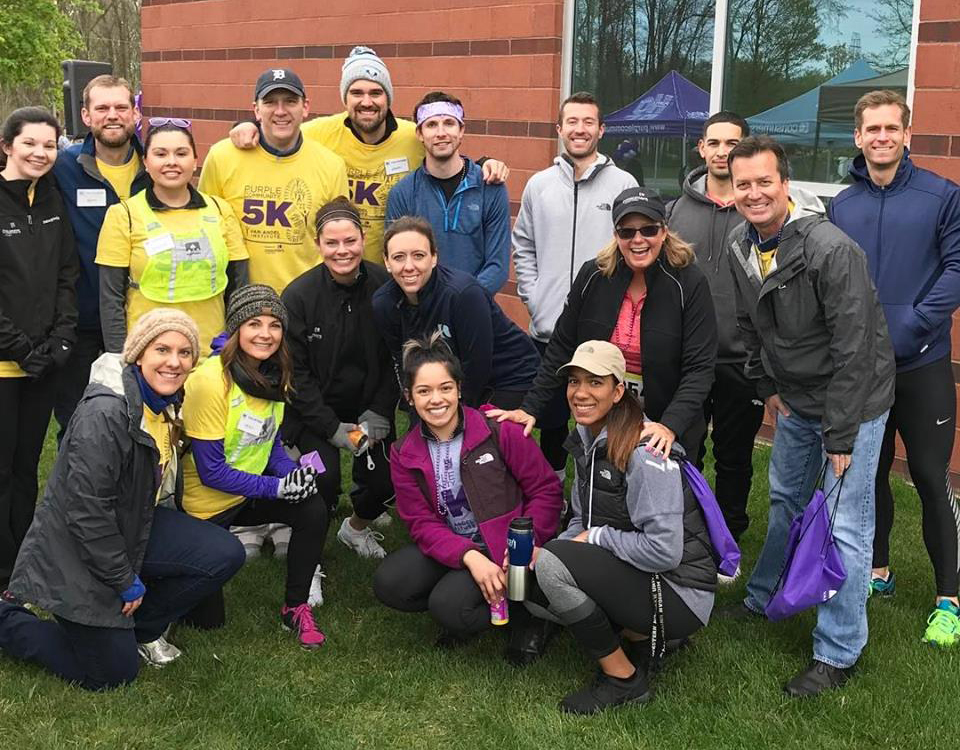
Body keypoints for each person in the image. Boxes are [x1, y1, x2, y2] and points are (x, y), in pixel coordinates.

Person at [725, 135, 895, 697]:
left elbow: (856, 347)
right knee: (785, 503)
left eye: (763, 182)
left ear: (785, 183)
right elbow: (751, 325)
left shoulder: (830, 249)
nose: (753, 193)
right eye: (742, 183)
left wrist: (842, 434)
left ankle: (838, 650)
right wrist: (767, 384)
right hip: (795, 397)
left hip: (854, 402)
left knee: (845, 525)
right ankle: (765, 594)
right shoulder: (738, 245)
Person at [0, 310, 245, 690]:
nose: (174, 361)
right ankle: (8, 620)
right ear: (138, 354)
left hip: (129, 525)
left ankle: (142, 628)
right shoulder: (106, 413)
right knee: (113, 675)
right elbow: (86, 512)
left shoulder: (162, 400)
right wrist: (124, 580)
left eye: (184, 352)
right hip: (75, 550)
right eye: (162, 349)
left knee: (223, 554)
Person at [829, 90, 960, 646]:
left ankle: (948, 599)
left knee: (931, 479)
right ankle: (877, 570)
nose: (882, 137)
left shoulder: (942, 196)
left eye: (892, 128)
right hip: (864, 370)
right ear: (857, 137)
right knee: (869, 475)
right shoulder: (841, 206)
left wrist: (910, 328)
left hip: (922, 364)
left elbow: (957, 267)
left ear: (906, 135)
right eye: (871, 129)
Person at [531, 340, 715, 714]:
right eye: (574, 382)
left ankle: (624, 679)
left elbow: (665, 550)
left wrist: (585, 545)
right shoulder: (588, 437)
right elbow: (583, 520)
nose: (580, 393)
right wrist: (552, 556)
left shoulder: (644, 450)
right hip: (643, 576)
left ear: (618, 392)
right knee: (532, 578)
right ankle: (640, 636)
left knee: (552, 567)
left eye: (595, 383)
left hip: (681, 592)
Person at [373, 333, 563, 664]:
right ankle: (479, 596)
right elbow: (420, 523)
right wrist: (469, 558)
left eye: (445, 388)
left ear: (459, 389)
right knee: (391, 583)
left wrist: (522, 548)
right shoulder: (403, 453)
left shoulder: (498, 430)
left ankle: (531, 614)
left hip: (508, 549)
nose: (436, 399)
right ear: (409, 398)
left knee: (448, 606)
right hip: (460, 546)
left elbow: (546, 490)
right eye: (424, 391)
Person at [495, 187, 716, 465]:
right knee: (601, 496)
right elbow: (563, 345)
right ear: (616, 235)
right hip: (605, 414)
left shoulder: (690, 282)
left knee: (662, 501)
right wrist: (531, 408)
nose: (638, 240)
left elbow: (700, 367)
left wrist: (669, 425)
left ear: (663, 231)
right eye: (627, 232)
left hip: (665, 418)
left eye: (648, 230)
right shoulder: (593, 275)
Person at [228, 46, 508, 262]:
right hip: (337, 268)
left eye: (376, 93)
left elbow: (447, 148)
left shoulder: (411, 136)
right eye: (356, 93)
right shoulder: (321, 133)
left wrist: (486, 163)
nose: (366, 102)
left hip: (395, 272)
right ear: (344, 98)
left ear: (388, 98)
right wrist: (247, 126)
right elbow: (281, 128)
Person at [179, 285, 327, 648]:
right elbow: (212, 471)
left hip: (243, 496)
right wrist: (276, 488)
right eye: (254, 323)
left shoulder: (276, 373)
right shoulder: (210, 381)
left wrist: (289, 474)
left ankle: (295, 607)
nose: (265, 333)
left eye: (275, 325)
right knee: (206, 623)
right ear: (236, 328)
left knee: (313, 507)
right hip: (203, 508)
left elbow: (269, 442)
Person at [512, 91, 637, 477]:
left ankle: (605, 486)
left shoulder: (623, 183)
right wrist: (534, 298)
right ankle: (556, 484)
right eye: (572, 122)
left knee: (603, 420)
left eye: (588, 122)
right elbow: (524, 246)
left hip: (603, 333)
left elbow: (634, 251)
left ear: (601, 130)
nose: (579, 130)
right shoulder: (539, 185)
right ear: (560, 128)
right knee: (550, 419)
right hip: (549, 328)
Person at [283, 198, 398, 562]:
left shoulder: (385, 286)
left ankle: (355, 528)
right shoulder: (299, 296)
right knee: (321, 479)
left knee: (386, 481)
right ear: (318, 245)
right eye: (331, 243)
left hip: (369, 408)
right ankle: (309, 560)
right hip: (316, 414)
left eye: (350, 241)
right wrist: (332, 429)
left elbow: (396, 356)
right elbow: (296, 374)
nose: (342, 250)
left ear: (364, 239)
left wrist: (379, 411)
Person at [667, 111, 761, 560]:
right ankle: (686, 531)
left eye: (732, 143)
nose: (723, 152)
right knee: (683, 448)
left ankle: (728, 540)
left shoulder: (758, 207)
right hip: (688, 357)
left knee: (734, 457)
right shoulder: (675, 211)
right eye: (715, 143)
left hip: (741, 360)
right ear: (701, 149)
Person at [0, 107, 79, 592]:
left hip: (46, 361)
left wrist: (62, 341)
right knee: (2, 471)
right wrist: (20, 348)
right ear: (7, 145)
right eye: (30, 143)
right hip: (6, 364)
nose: (40, 153)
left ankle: (24, 563)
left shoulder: (52, 197)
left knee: (28, 469)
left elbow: (68, 274)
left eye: (49, 145)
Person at [96, 120, 249, 361]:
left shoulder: (221, 211)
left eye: (181, 153)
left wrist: (234, 346)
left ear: (195, 161)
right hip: (147, 357)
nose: (171, 162)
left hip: (211, 353)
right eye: (160, 154)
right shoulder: (122, 215)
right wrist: (118, 357)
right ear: (146, 162)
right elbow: (110, 298)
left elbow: (239, 286)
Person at [52, 74, 149, 439]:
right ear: (86, 116)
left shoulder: (155, 166)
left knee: (140, 423)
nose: (113, 115)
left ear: (135, 113)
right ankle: (74, 497)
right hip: (83, 321)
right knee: (79, 426)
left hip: (145, 320)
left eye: (121, 107)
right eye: (102, 108)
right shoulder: (63, 168)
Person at [199, 68, 349, 293]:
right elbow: (204, 228)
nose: (280, 111)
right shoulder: (222, 157)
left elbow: (337, 238)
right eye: (270, 102)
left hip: (305, 300)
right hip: (238, 297)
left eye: (290, 101)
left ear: (305, 107)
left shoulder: (331, 165)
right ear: (256, 110)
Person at [372, 216, 540, 409]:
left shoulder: (463, 294)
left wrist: (456, 415)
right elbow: (404, 364)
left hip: (508, 376)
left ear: (434, 257)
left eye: (418, 255)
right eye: (398, 257)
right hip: (450, 379)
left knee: (477, 433)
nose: (409, 266)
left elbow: (477, 366)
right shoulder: (383, 303)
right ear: (386, 261)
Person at [386, 91, 510, 295]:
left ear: (461, 130)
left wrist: (462, 301)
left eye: (449, 123)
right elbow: (397, 259)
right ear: (419, 134)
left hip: (475, 308)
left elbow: (497, 266)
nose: (441, 133)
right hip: (421, 309)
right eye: (431, 125)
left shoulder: (490, 187)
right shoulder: (402, 193)